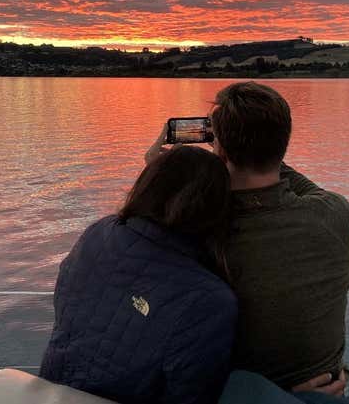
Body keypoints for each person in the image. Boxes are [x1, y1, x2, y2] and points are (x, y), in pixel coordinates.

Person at [39, 146, 238, 404]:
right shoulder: (210, 301)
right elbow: (193, 396)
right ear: (216, 210)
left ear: (148, 187)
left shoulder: (98, 234)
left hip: (54, 391)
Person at [209, 81, 349, 397]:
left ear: (219, 148)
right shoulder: (335, 216)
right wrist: (260, 138)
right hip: (326, 390)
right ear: (284, 142)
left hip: (242, 395)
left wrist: (169, 171)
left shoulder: (201, 231)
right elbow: (301, 185)